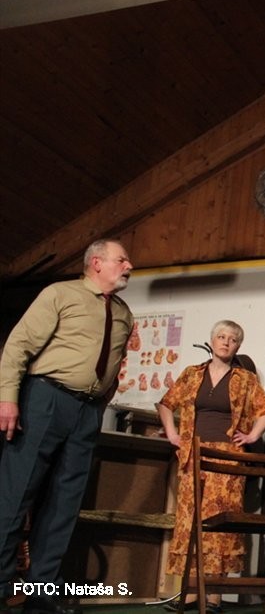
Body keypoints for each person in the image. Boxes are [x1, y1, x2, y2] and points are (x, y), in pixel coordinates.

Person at [0, 239, 134, 614]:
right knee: (16, 495)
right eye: (122, 259)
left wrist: (101, 401)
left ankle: (41, 595)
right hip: (45, 399)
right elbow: (18, 346)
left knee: (64, 505)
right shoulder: (60, 294)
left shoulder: (123, 313)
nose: (129, 266)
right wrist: (8, 398)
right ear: (96, 262)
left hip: (87, 412)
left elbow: (115, 364)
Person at [156, 320, 265, 613]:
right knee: (191, 522)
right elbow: (166, 403)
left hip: (227, 459)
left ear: (238, 346)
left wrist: (252, 435)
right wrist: (173, 434)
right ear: (212, 341)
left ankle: (214, 596)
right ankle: (191, 592)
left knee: (219, 525)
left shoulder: (244, 379)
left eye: (232, 339)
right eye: (221, 337)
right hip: (194, 456)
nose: (226, 342)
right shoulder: (192, 374)